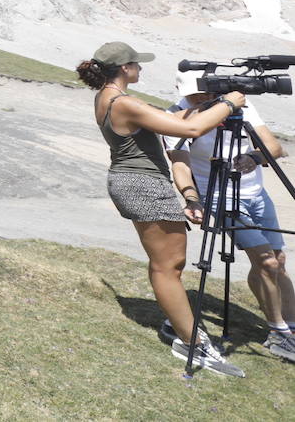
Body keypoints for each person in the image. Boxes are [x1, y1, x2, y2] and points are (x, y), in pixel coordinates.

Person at [77, 40, 249, 376]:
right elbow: (190, 129)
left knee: (168, 263)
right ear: (125, 68)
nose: (141, 69)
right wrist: (230, 103)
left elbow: (175, 118)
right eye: (137, 64)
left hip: (134, 181)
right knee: (168, 266)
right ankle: (193, 343)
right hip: (144, 185)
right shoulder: (123, 101)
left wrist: (210, 103)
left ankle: (186, 332)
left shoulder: (109, 97)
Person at [165, 72, 295, 362]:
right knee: (266, 261)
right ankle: (278, 333)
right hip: (218, 197)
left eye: (204, 93)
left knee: (278, 261)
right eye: (194, 95)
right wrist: (192, 198)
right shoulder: (176, 116)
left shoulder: (237, 105)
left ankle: (290, 328)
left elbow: (274, 148)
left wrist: (254, 159)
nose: (201, 99)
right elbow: (180, 164)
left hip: (256, 194)